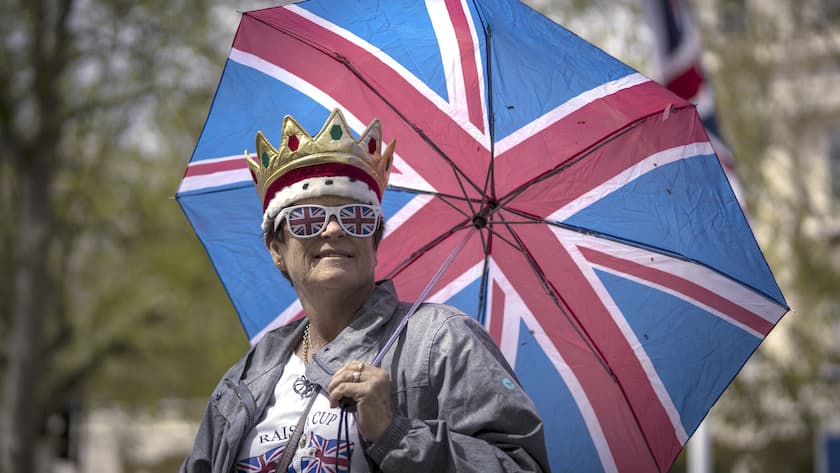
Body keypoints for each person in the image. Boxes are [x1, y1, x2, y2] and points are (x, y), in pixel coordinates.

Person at [180, 109, 550, 473]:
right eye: (307, 218)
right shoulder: (251, 373)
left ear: (374, 240)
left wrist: (394, 433)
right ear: (276, 249)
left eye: (356, 217)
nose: (333, 230)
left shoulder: (441, 340)